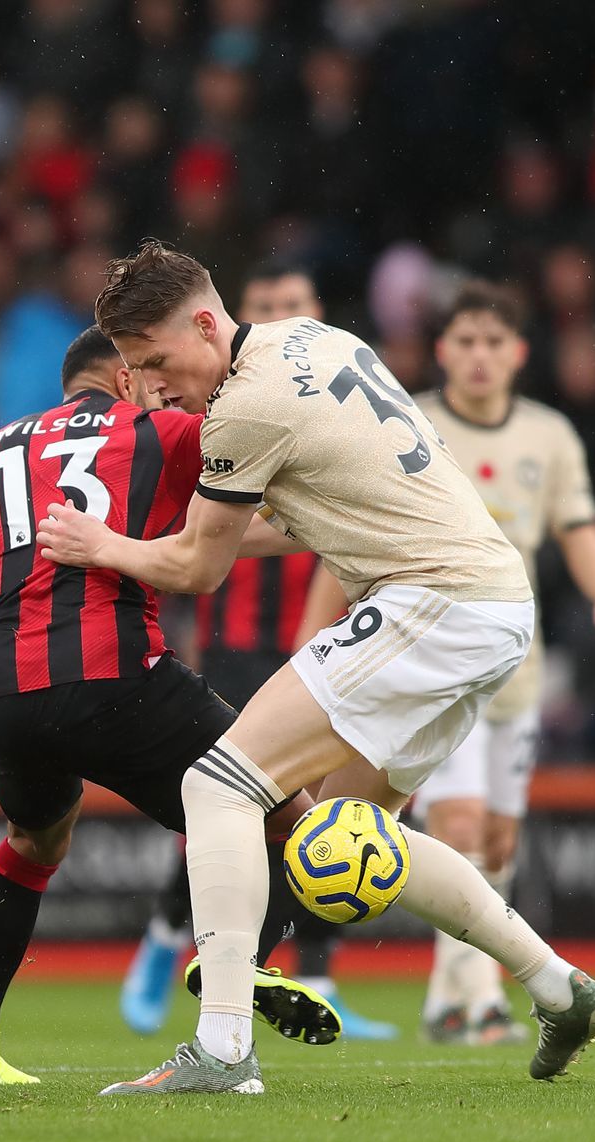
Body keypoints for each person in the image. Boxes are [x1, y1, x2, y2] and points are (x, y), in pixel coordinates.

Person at [38, 241, 595, 1095]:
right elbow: (295, 516)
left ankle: (222, 1049)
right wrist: (176, 532)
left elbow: (201, 567)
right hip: (492, 602)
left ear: (207, 323)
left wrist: (104, 545)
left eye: (158, 361)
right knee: (345, 829)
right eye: (134, 369)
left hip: (432, 597)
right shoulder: (313, 339)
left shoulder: (246, 406)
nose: (154, 386)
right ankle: (557, 986)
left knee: (218, 784)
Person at [0, 327, 342, 1088]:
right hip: (119, 674)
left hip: (5, 692)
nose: (161, 386)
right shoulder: (158, 427)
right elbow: (269, 483)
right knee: (289, 818)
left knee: (33, 841)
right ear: (126, 376)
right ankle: (235, 968)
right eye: (150, 375)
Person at [120, 260, 397, 1042]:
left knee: (308, 800)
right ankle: (169, 933)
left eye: (291, 304)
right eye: (265, 302)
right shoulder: (221, 407)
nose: (278, 313)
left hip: (332, 632)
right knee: (243, 793)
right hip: (239, 640)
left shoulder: (317, 388)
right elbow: (209, 542)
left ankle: (309, 972)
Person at [412, 282, 595, 1044]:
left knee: (498, 842)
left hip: (518, 664)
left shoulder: (549, 434)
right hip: (434, 656)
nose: (479, 355)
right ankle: (478, 1003)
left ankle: (448, 994)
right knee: (461, 823)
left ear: (518, 354)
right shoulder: (410, 422)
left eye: (493, 341)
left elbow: (578, 531)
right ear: (442, 350)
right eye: (464, 340)